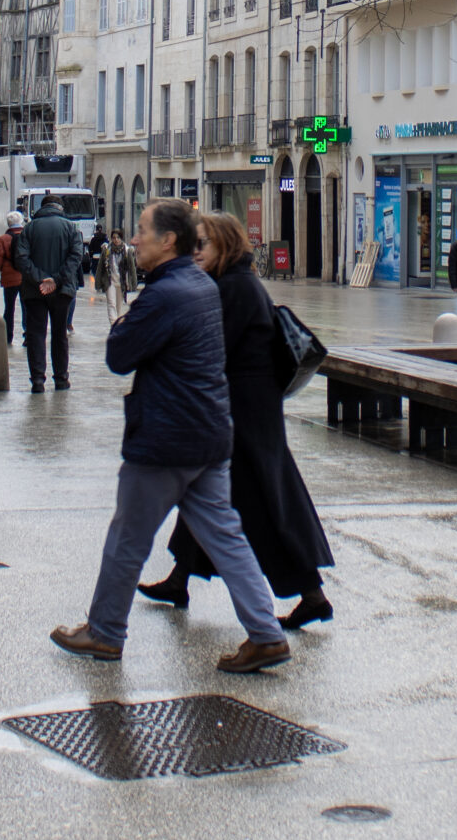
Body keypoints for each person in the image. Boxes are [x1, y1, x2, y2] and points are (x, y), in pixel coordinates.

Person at [50, 200, 292, 673]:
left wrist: (124, 322)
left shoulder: (164, 295)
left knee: (128, 538)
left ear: (168, 241)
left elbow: (119, 356)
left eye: (142, 230)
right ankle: (266, 633)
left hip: (166, 438)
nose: (133, 239)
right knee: (226, 537)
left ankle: (104, 631)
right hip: (209, 434)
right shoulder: (202, 285)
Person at [136, 211, 335, 630]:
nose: (195, 251)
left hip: (245, 415)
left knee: (260, 505)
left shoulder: (235, 287)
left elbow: (210, 348)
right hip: (243, 409)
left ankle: (311, 594)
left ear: (224, 244)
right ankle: (178, 579)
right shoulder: (231, 283)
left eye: (202, 244)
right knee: (211, 494)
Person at [15, 199, 88, 392]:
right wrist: (56, 280)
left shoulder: (29, 228)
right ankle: (61, 379)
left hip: (34, 290)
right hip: (62, 290)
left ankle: (38, 380)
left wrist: (40, 279)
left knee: (36, 335)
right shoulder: (71, 228)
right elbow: (76, 257)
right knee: (59, 334)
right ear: (60, 208)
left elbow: (21, 258)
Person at [0, 214, 26, 336]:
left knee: (9, 308)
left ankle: (8, 335)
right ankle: (28, 333)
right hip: (26, 277)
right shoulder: (28, 236)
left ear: (8, 223)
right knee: (27, 307)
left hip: (9, 277)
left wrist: (4, 268)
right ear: (21, 222)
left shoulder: (3, 239)